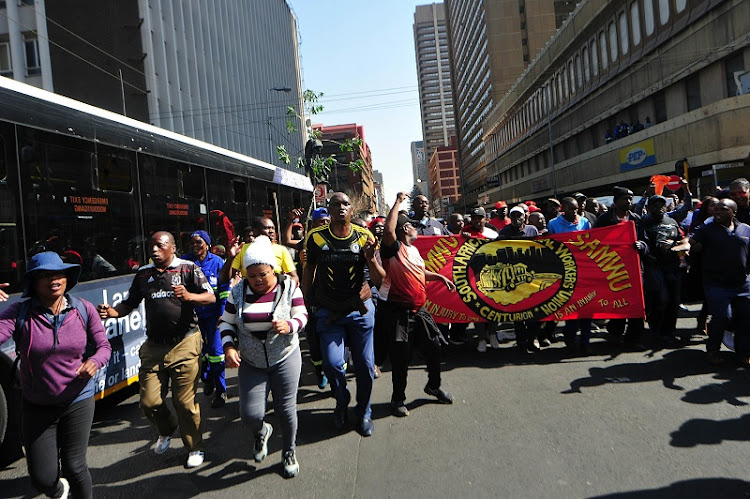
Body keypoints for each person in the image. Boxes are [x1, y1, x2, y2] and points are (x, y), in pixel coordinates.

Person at [98, 231, 215, 468]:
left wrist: (189, 295)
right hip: (154, 346)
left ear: (172, 248)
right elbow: (129, 303)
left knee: (184, 403)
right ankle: (167, 428)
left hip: (185, 342)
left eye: (160, 246)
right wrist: (113, 312)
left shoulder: (188, 268)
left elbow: (210, 298)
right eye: (151, 246)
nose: (154, 251)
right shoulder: (143, 274)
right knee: (149, 402)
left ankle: (194, 447)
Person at [0, 252, 111, 499]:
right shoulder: (19, 313)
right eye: (46, 275)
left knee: (75, 466)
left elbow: (104, 347)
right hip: (37, 404)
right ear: (33, 282)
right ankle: (59, 490)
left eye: (58, 274)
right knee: (42, 479)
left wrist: (94, 362)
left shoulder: (83, 309)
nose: (54, 279)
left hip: (77, 399)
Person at [219, 236, 307, 477]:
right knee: (250, 414)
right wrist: (229, 347)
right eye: (252, 275)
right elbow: (226, 323)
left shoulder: (289, 286)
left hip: (285, 356)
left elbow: (302, 315)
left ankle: (289, 451)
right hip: (251, 361)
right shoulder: (237, 291)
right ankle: (261, 432)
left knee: (286, 408)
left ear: (274, 270)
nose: (257, 280)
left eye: (263, 274)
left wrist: (290, 325)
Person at [369, 192, 455, 417]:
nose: (417, 228)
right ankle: (398, 399)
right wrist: (398, 202)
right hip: (398, 314)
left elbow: (419, 272)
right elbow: (388, 231)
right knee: (401, 357)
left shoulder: (414, 251)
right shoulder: (392, 249)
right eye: (413, 226)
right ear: (405, 229)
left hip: (420, 311)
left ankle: (433, 385)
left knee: (435, 347)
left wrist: (439, 277)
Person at [302, 192, 380, 436]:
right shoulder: (315, 237)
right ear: (329, 209)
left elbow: (379, 278)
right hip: (329, 311)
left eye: (345, 203)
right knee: (333, 363)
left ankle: (364, 411)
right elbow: (309, 271)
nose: (341, 208)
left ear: (351, 209)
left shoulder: (365, 236)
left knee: (366, 366)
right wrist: (306, 302)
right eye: (335, 204)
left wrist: (370, 260)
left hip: (360, 311)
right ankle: (342, 401)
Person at [689, 199, 750, 366]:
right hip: (716, 284)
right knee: (722, 316)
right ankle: (713, 350)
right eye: (715, 209)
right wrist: (682, 247)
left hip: (742, 285)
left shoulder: (746, 229)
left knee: (745, 317)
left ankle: (744, 353)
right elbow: (690, 241)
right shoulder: (706, 229)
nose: (717, 212)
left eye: (723, 209)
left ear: (733, 212)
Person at [181, 230, 230, 408]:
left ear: (208, 245)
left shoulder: (217, 262)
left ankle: (221, 390)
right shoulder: (184, 263)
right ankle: (207, 377)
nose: (195, 246)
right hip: (193, 318)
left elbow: (224, 290)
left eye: (199, 242)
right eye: (192, 242)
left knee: (217, 354)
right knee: (199, 355)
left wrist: (223, 313)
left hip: (214, 317)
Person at [595, 187, 646, 349]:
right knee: (618, 302)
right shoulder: (604, 220)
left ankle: (634, 338)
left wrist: (642, 246)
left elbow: (646, 241)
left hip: (635, 269)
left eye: (630, 199)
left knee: (636, 303)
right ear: (616, 201)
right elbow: (594, 242)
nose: (629, 202)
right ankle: (615, 331)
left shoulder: (637, 219)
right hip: (613, 269)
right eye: (625, 199)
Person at [548, 197, 593, 353]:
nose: (574, 212)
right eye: (570, 209)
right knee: (571, 307)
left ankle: (585, 342)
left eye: (576, 209)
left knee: (587, 308)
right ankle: (570, 337)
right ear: (563, 208)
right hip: (565, 271)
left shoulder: (585, 222)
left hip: (584, 270)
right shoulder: (553, 224)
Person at [641, 195, 684, 345]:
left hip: (673, 266)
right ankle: (656, 329)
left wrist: (676, 244)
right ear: (649, 207)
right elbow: (640, 243)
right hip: (654, 267)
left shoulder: (672, 221)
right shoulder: (643, 223)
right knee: (661, 300)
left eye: (662, 205)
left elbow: (681, 238)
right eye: (655, 205)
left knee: (674, 301)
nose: (659, 207)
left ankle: (669, 332)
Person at [498, 207, 541, 353]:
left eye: (520, 216)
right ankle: (521, 340)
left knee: (535, 309)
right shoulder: (504, 232)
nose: (517, 218)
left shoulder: (532, 230)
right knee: (517, 311)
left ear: (525, 217)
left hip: (532, 276)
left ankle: (533, 338)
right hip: (513, 276)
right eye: (514, 216)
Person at [462, 207, 499, 351]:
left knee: (494, 307)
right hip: (472, 278)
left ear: (486, 219)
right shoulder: (465, 232)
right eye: (474, 218)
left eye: (480, 218)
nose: (477, 221)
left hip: (492, 277)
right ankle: (482, 338)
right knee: (477, 309)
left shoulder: (492, 234)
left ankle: (493, 334)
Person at [224, 217, 299, 285]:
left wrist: (278, 286)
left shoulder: (281, 250)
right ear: (255, 231)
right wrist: (231, 258)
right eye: (267, 228)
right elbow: (226, 278)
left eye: (273, 228)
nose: (271, 231)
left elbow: (294, 277)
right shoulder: (243, 249)